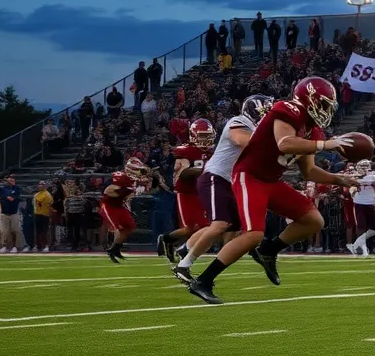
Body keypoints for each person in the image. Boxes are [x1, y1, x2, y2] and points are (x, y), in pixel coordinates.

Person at [187, 77, 359, 303]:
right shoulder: (287, 109)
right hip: (250, 176)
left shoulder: (313, 130)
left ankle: (269, 250)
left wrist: (340, 180)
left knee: (313, 220)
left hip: (272, 180)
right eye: (324, 104)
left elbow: (308, 172)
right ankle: (203, 281)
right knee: (253, 234)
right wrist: (326, 145)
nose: (327, 110)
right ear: (309, 99)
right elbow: (285, 143)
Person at [171, 96, 273, 282]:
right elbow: (248, 143)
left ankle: (185, 249)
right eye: (266, 112)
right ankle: (183, 265)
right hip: (214, 177)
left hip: (227, 181)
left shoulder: (256, 129)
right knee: (219, 225)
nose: (269, 116)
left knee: (233, 226)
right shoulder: (239, 122)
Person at [156, 119, 216, 264]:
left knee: (204, 226)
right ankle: (172, 243)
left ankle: (171, 242)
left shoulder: (210, 152)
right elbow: (182, 174)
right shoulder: (185, 151)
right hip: (186, 193)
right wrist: (203, 169)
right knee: (191, 228)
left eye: (208, 136)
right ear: (194, 136)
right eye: (202, 136)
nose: (206, 140)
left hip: (201, 193)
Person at [101, 157, 147, 263]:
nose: (140, 172)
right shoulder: (122, 178)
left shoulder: (132, 180)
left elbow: (129, 194)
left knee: (129, 227)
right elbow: (107, 191)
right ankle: (108, 247)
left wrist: (130, 193)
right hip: (109, 205)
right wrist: (124, 192)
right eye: (138, 169)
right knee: (116, 228)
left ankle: (115, 248)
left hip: (119, 206)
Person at [347, 159, 375, 257]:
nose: (363, 169)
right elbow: (351, 188)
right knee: (361, 226)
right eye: (362, 167)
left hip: (371, 203)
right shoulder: (354, 177)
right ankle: (362, 249)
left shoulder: (373, 176)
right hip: (359, 203)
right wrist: (353, 190)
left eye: (365, 167)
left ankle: (356, 244)